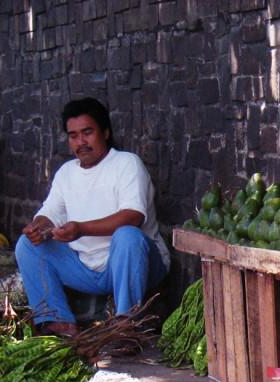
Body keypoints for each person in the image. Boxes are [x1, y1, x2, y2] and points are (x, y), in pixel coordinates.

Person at [15, 97, 169, 337]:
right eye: (73, 135)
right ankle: (58, 322)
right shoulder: (66, 173)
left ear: (105, 132)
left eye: (87, 133)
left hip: (136, 266)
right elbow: (50, 212)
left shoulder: (126, 163)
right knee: (27, 246)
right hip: (86, 269)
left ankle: (125, 327)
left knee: (127, 236)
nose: (81, 142)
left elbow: (133, 217)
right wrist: (38, 227)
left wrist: (80, 229)